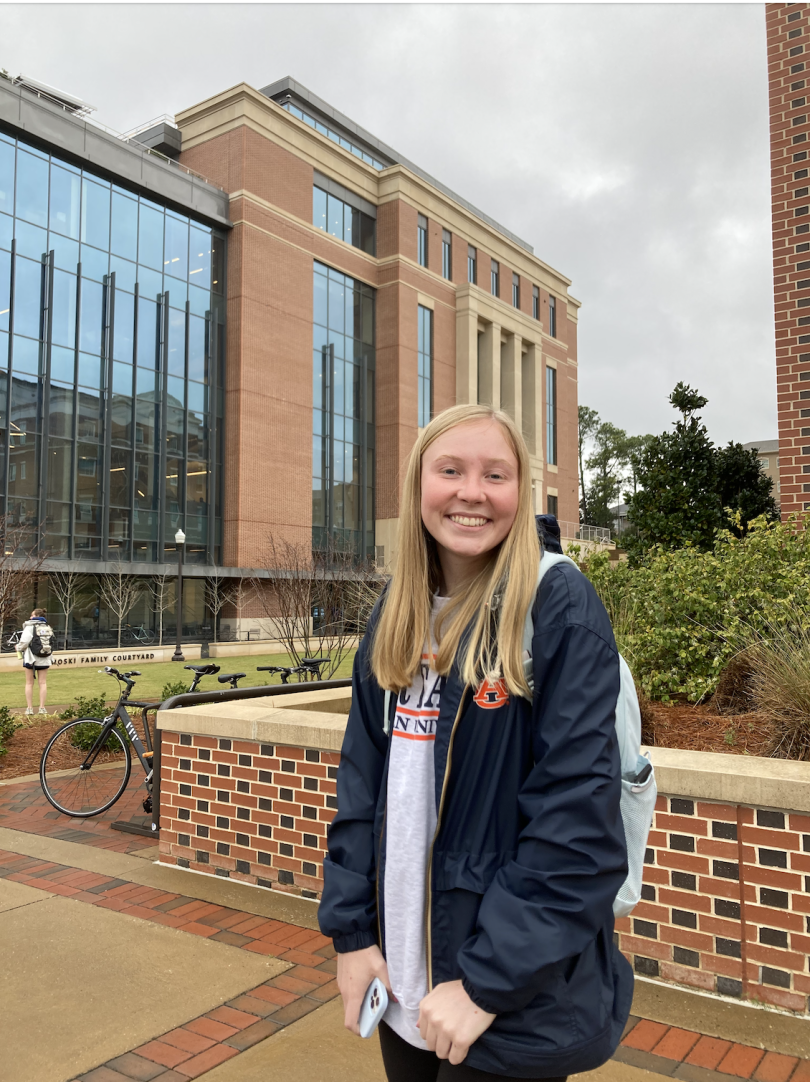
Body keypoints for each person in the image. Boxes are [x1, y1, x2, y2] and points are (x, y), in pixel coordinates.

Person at [318, 404, 632, 1082]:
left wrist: (486, 982)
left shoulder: (556, 606)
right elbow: (361, 784)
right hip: (402, 984)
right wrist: (352, 937)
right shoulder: (395, 610)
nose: (470, 492)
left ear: (521, 493)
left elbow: (576, 820)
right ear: (417, 485)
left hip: (502, 999)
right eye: (450, 470)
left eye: (496, 475)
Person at [18, 608, 53, 716]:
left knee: (29, 683)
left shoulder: (29, 627)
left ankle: (29, 708)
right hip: (45, 658)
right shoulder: (48, 627)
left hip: (31, 659)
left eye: (31, 615)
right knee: (42, 683)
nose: (30, 617)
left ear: (36, 616)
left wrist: (18, 647)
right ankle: (42, 708)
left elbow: (24, 642)